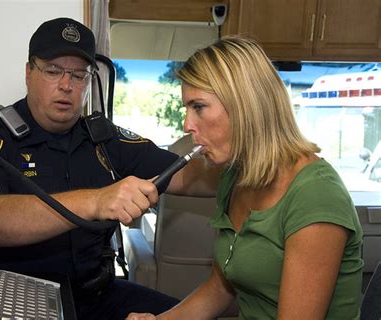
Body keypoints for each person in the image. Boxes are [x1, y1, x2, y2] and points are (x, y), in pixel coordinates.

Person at [0, 17, 180, 320]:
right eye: (53, 70)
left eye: (78, 74)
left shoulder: (103, 138)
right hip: (19, 302)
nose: (66, 85)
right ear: (29, 72)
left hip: (99, 296)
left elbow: (183, 175)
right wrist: (96, 201)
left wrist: (231, 152)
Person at [126, 36, 364, 319]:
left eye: (199, 107)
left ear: (245, 106)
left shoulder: (316, 195)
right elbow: (220, 288)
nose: (188, 125)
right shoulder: (235, 177)